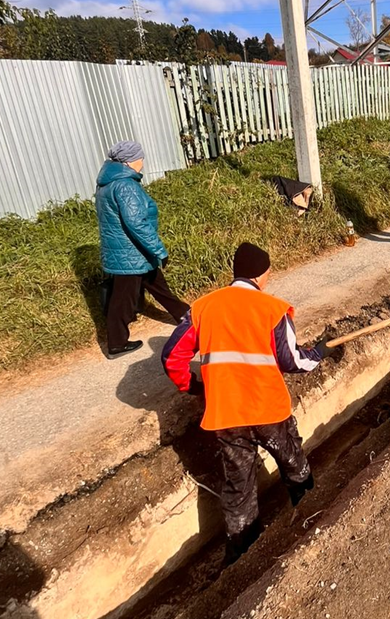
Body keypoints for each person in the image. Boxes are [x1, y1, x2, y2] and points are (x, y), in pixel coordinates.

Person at [161, 242, 334, 565]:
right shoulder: (271, 309)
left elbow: (171, 356)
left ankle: (243, 557)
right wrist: (319, 354)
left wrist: (194, 385)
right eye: (269, 272)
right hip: (267, 409)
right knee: (293, 463)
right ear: (261, 274)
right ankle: (313, 513)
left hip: (226, 415)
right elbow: (292, 360)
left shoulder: (202, 308)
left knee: (239, 488)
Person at [95, 141, 189, 358]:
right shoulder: (125, 185)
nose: (142, 162)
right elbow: (136, 223)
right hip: (131, 253)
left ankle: (186, 316)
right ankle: (116, 344)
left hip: (127, 251)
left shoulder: (107, 183)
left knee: (158, 285)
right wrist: (159, 250)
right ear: (129, 161)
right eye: (140, 158)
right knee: (122, 301)